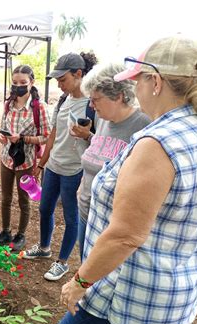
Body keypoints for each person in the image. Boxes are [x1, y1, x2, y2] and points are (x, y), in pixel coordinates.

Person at [54, 36, 197, 324]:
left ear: (157, 82)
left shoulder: (157, 141)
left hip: (132, 280)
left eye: (138, 81)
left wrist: (78, 283)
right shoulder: (193, 129)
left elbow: (125, 235)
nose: (135, 91)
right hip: (167, 277)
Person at [23, 52, 98, 282]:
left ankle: (63, 262)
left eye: (62, 79)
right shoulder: (64, 100)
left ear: (79, 74)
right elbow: (54, 132)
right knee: (45, 208)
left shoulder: (93, 104)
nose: (59, 84)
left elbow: (101, 140)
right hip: (55, 166)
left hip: (75, 170)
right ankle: (45, 248)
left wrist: (88, 135)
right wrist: (42, 163)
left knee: (71, 216)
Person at [74, 63, 151, 260]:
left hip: (108, 223)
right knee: (85, 264)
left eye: (95, 99)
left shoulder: (144, 125)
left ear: (118, 96)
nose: (91, 105)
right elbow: (101, 152)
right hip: (85, 212)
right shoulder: (103, 120)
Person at [0, 65, 48, 251]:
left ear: (31, 83)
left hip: (26, 160)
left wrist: (24, 138)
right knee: (6, 197)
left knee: (23, 200)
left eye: (23, 83)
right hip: (7, 158)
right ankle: (5, 231)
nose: (18, 86)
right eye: (15, 83)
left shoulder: (39, 108)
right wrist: (0, 136)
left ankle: (20, 234)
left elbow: (46, 136)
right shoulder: (8, 104)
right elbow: (2, 126)